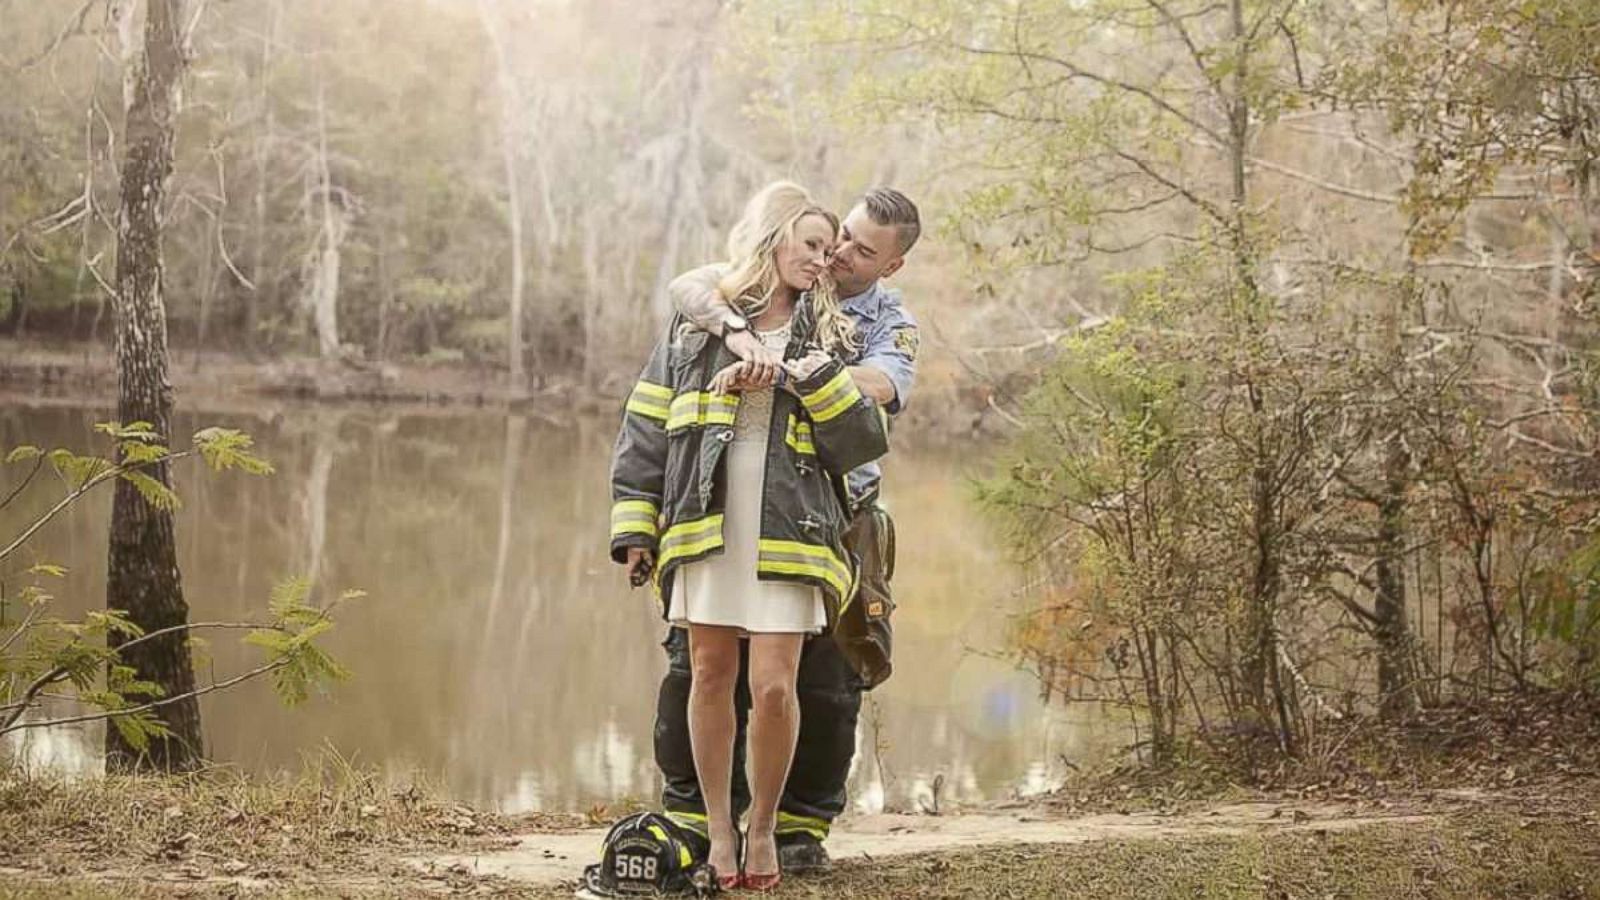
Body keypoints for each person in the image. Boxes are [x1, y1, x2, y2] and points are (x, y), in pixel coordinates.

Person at [609, 181, 892, 890]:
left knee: (773, 689)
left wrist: (806, 377)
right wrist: (637, 524)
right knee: (708, 674)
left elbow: (862, 443)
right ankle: (717, 835)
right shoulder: (693, 333)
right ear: (773, 240)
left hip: (790, 535)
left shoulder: (834, 337)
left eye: (831, 250)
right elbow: (643, 430)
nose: (825, 261)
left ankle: (763, 828)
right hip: (706, 523)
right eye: (812, 245)